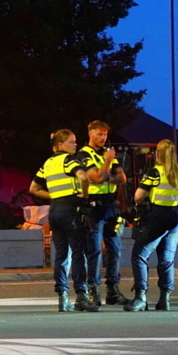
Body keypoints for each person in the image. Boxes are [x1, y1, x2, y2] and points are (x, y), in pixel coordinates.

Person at [30, 129, 96, 313]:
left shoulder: (48, 163)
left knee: (61, 254)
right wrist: (84, 195)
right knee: (78, 253)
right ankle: (81, 296)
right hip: (71, 210)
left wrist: (54, 195)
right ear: (60, 145)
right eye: (71, 142)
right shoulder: (68, 160)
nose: (75, 145)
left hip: (55, 211)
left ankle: (63, 297)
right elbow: (83, 177)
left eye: (75, 142)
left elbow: (34, 188)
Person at [74, 121, 130, 306]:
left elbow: (122, 178)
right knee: (95, 251)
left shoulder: (107, 152)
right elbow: (97, 178)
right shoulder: (84, 154)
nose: (103, 138)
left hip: (110, 206)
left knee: (115, 249)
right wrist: (106, 163)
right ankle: (94, 290)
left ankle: (113, 289)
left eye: (105, 134)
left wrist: (105, 175)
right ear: (90, 133)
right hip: (93, 207)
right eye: (99, 134)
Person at [126, 140, 178, 312]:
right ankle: (164, 299)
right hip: (175, 218)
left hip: (156, 217)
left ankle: (140, 297)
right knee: (166, 260)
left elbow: (138, 197)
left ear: (158, 154)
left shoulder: (154, 173)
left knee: (139, 256)